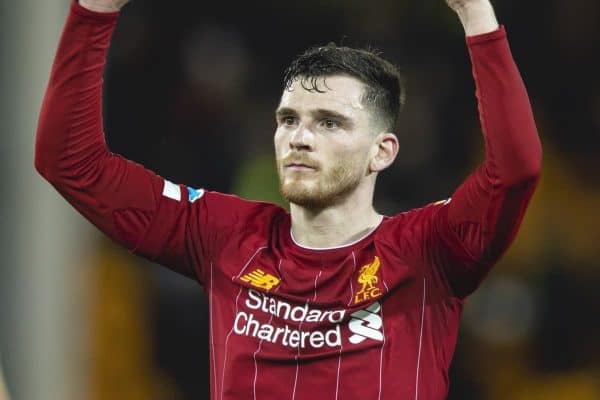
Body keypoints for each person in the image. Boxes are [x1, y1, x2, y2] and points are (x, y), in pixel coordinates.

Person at [35, 0, 542, 398]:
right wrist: (95, 11)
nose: (299, 137)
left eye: (329, 123)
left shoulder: (429, 250)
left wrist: (475, 12)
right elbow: (70, 162)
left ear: (382, 152)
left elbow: (515, 169)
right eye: (288, 120)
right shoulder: (226, 234)